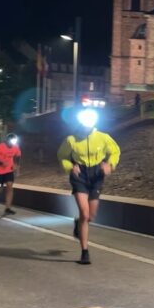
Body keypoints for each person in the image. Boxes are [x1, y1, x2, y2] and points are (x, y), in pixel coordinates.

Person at [57, 110, 121, 265]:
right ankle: (84, 252)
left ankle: (78, 223)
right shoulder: (71, 140)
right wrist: (70, 167)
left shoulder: (103, 137)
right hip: (80, 175)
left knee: (90, 216)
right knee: (85, 214)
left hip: (97, 175)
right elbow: (62, 156)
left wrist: (110, 165)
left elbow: (115, 151)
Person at [0, 133, 21, 215]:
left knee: (10, 187)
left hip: (9, 171)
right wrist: (0, 163)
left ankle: (8, 208)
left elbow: (18, 155)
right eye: (11, 141)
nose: (13, 143)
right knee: (0, 189)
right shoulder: (0, 147)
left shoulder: (15, 147)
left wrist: (16, 165)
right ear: (7, 140)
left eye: (14, 141)